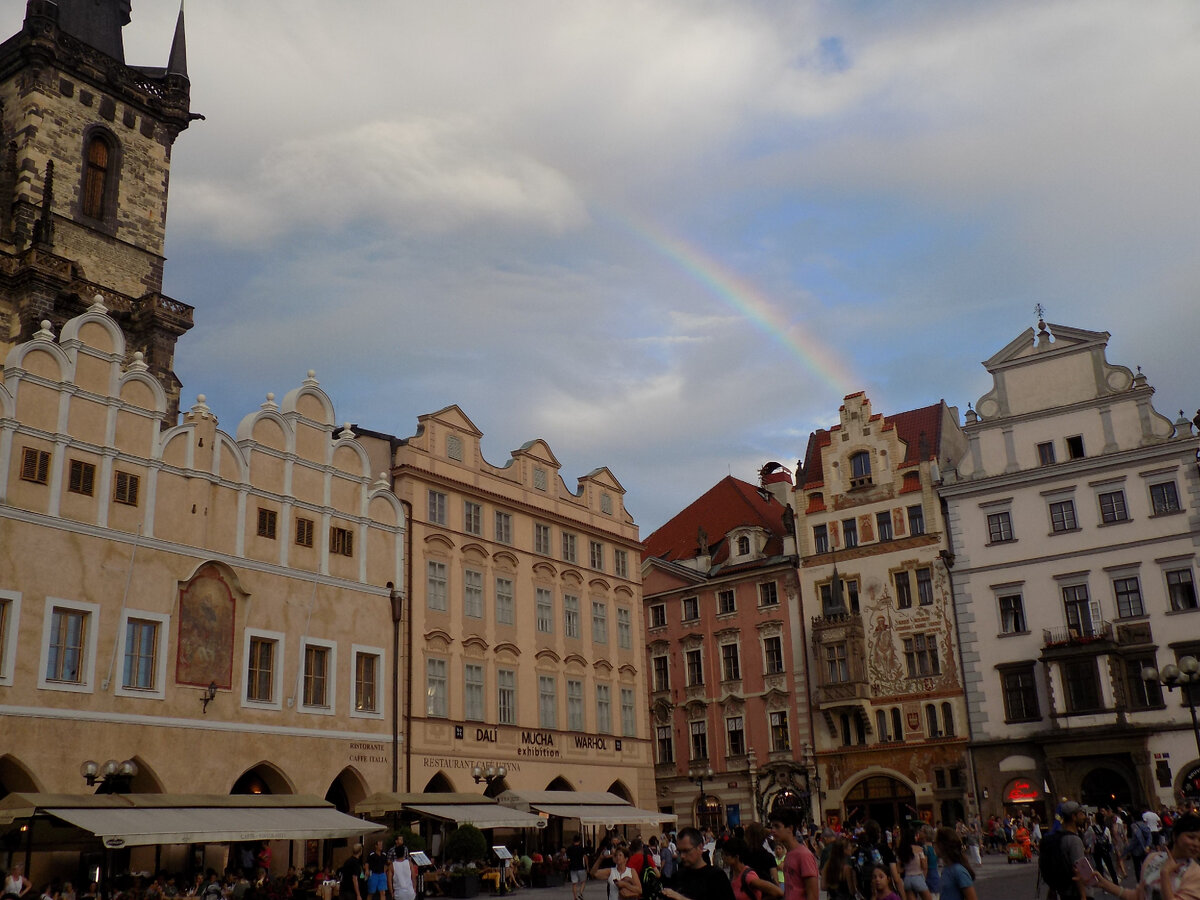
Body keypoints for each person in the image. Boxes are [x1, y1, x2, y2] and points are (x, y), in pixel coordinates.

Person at [1089, 812, 1200, 900]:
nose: (1196, 844)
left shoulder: (1195, 873)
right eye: (1191, 837)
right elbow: (1138, 896)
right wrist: (1105, 884)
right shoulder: (1153, 859)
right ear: (1175, 836)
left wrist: (1165, 874)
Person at [663, 827, 735, 900]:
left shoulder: (716, 877)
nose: (682, 856)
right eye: (679, 851)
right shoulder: (678, 876)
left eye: (686, 851)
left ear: (700, 847)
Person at [1040, 801, 1089, 900]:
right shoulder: (1074, 840)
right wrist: (1084, 896)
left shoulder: (1057, 837)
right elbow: (1080, 870)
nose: (1084, 817)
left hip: (1063, 891)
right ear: (1073, 817)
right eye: (1081, 814)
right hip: (1076, 893)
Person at [769, 809, 819, 900]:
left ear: (790, 828)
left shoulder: (803, 855)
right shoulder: (789, 854)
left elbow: (813, 894)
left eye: (777, 826)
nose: (773, 830)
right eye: (772, 827)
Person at [933, 828, 977, 900]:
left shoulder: (958, 871)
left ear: (942, 845)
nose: (933, 846)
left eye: (935, 843)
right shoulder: (946, 869)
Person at [898, 827, 931, 900]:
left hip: (907, 880)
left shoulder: (902, 851)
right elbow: (924, 866)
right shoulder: (919, 849)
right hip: (918, 877)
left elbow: (899, 870)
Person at [567, 834, 590, 900]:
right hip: (581, 867)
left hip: (572, 868)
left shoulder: (569, 848)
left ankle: (575, 897)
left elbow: (567, 858)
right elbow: (585, 857)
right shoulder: (581, 848)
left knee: (574, 883)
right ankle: (580, 892)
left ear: (573, 841)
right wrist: (587, 866)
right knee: (583, 881)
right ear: (579, 841)